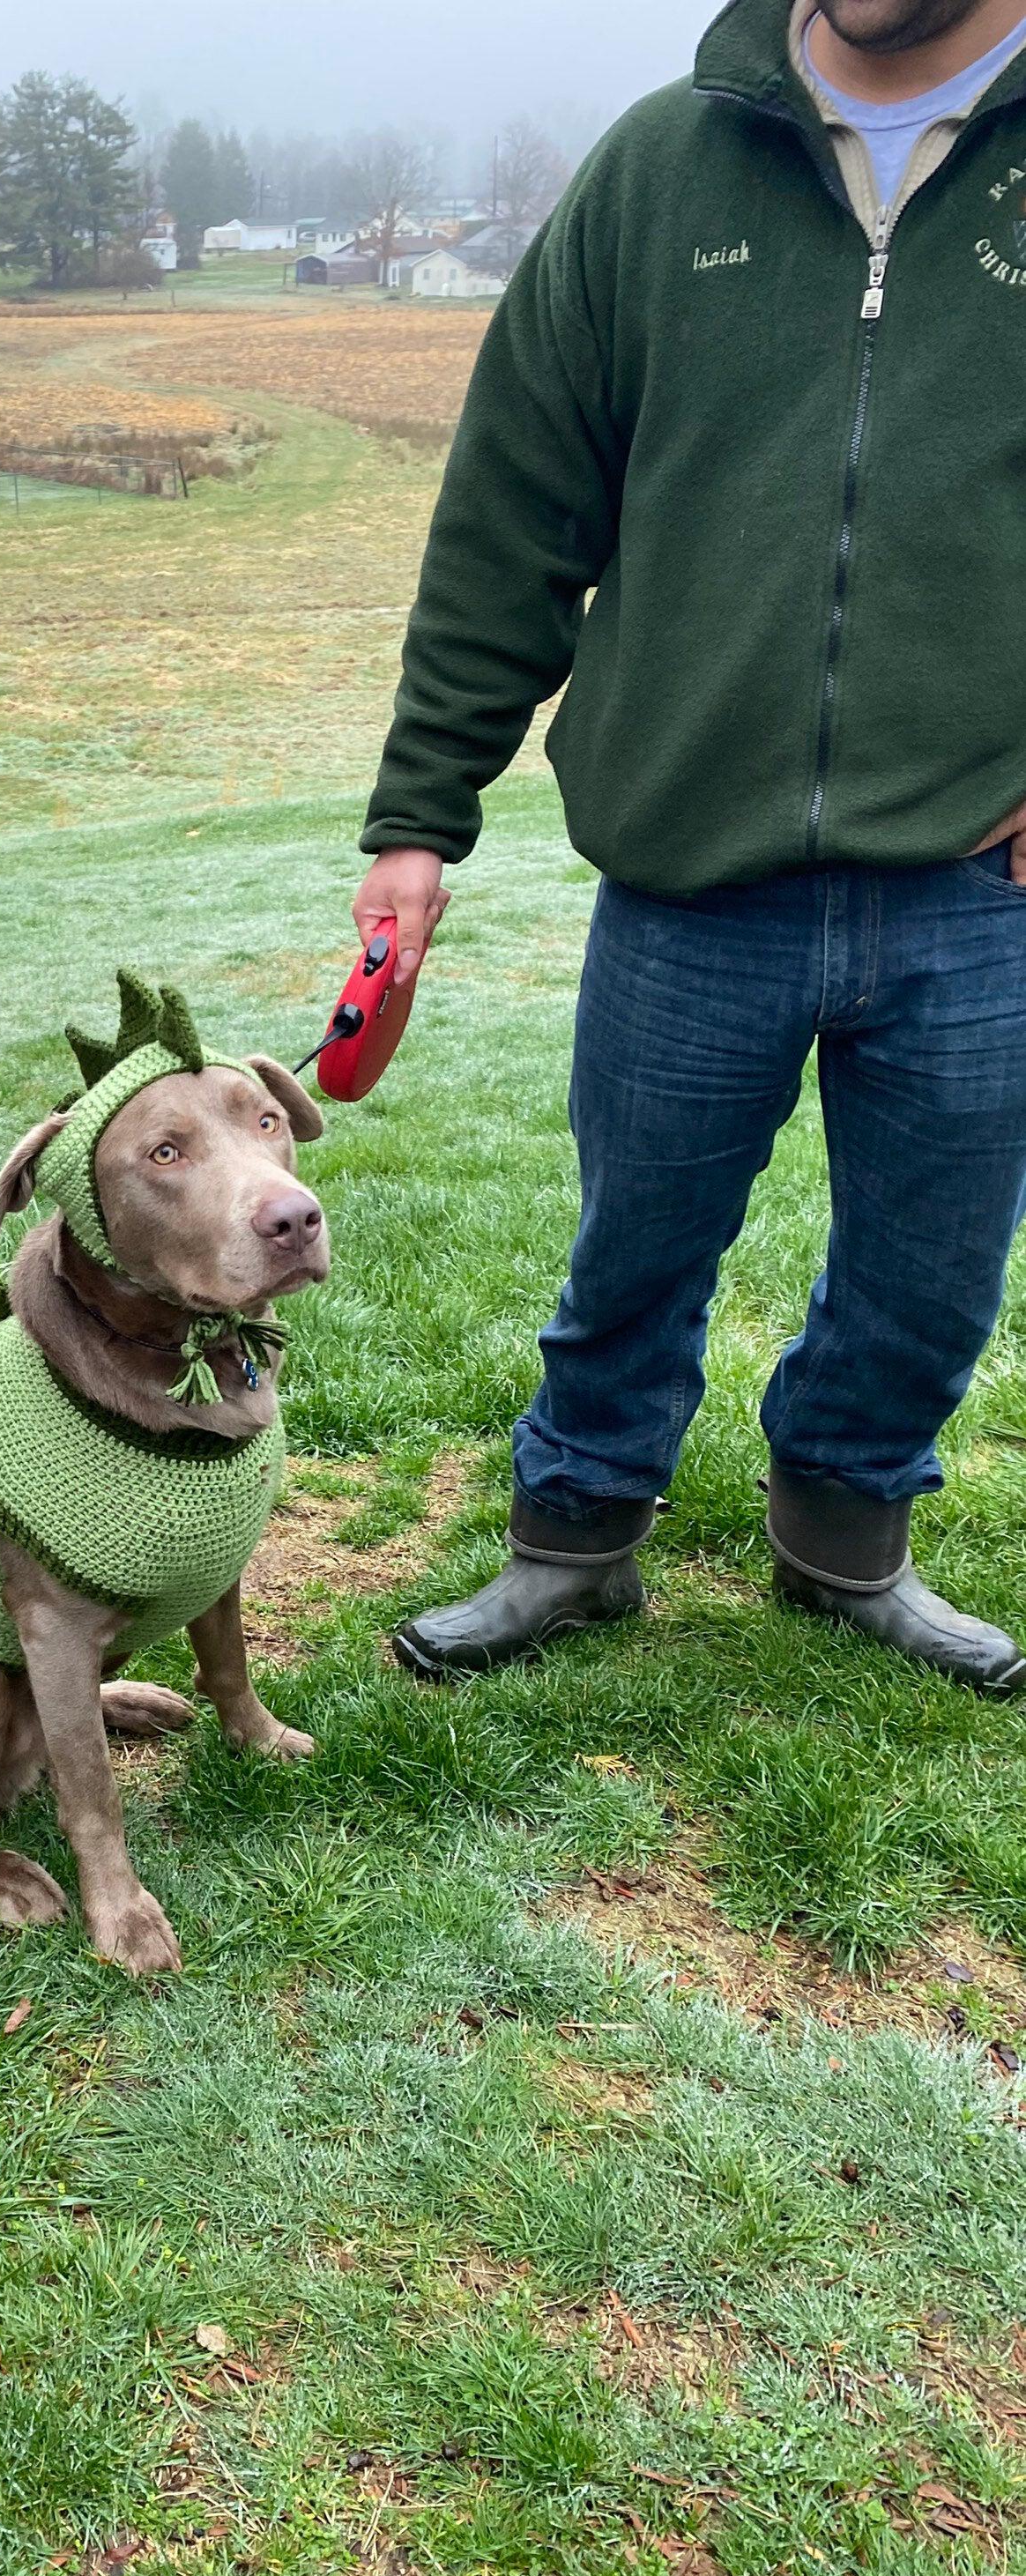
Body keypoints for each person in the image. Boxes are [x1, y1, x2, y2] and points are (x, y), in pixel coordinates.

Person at [355, 0, 1026, 1694]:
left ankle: (845, 1546)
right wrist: (420, 816)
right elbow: (511, 510)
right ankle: (570, 1545)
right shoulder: (664, 164)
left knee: (932, 1267)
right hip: (684, 876)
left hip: (977, 889)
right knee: (633, 1243)